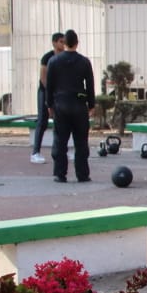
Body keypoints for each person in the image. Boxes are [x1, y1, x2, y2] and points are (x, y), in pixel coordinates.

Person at [44, 28, 95, 183]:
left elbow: (49, 85)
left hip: (60, 104)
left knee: (60, 140)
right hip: (79, 104)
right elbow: (90, 85)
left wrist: (49, 104)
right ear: (77, 43)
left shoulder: (53, 61)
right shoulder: (84, 61)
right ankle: (82, 174)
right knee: (81, 141)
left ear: (64, 43)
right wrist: (91, 104)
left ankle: (60, 173)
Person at [30, 32, 66, 164]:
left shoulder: (65, 57)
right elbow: (43, 78)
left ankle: (60, 151)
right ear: (54, 43)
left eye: (64, 42)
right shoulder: (47, 57)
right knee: (42, 120)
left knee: (61, 121)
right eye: (61, 42)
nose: (63, 44)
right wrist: (48, 94)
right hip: (45, 91)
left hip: (60, 93)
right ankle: (35, 152)